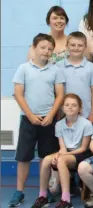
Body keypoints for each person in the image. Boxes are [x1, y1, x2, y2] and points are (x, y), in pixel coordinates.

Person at [9, 34, 65, 208]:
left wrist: (51, 115)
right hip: (28, 119)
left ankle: (43, 191)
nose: (46, 51)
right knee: (23, 157)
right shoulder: (23, 68)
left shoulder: (56, 69)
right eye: (42, 47)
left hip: (48, 121)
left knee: (45, 158)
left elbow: (60, 95)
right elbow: (18, 94)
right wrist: (31, 115)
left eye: (49, 49)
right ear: (33, 48)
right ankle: (19, 191)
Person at [32, 94, 93, 208]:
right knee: (46, 160)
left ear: (80, 108)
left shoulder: (86, 124)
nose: (70, 107)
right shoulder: (59, 124)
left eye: (74, 105)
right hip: (66, 152)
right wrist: (59, 154)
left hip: (80, 153)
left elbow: (83, 148)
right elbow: (62, 146)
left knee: (61, 161)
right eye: (67, 105)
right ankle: (43, 196)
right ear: (63, 108)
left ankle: (66, 200)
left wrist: (61, 156)